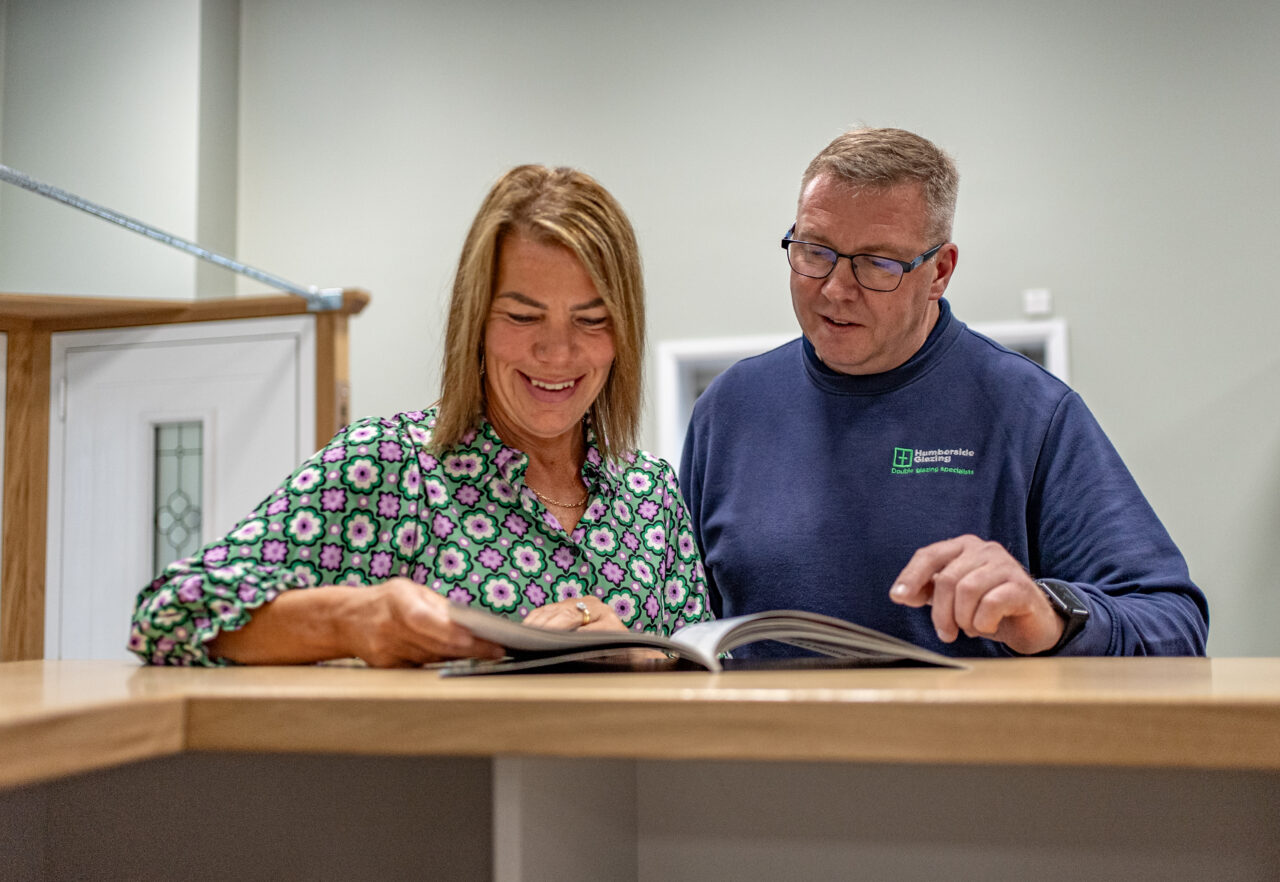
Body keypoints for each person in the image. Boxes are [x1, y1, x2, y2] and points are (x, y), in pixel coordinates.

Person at [130, 164, 710, 667]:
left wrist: (642, 658)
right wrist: (350, 621)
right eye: (522, 317)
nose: (557, 353)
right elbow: (169, 617)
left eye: (591, 320)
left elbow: (708, 679)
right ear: (475, 322)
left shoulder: (651, 494)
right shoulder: (388, 467)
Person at [679, 127, 1208, 658]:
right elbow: (679, 625)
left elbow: (1173, 624)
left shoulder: (1030, 412)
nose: (836, 289)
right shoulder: (728, 411)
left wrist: (1051, 616)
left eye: (877, 263)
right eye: (815, 251)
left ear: (940, 272)